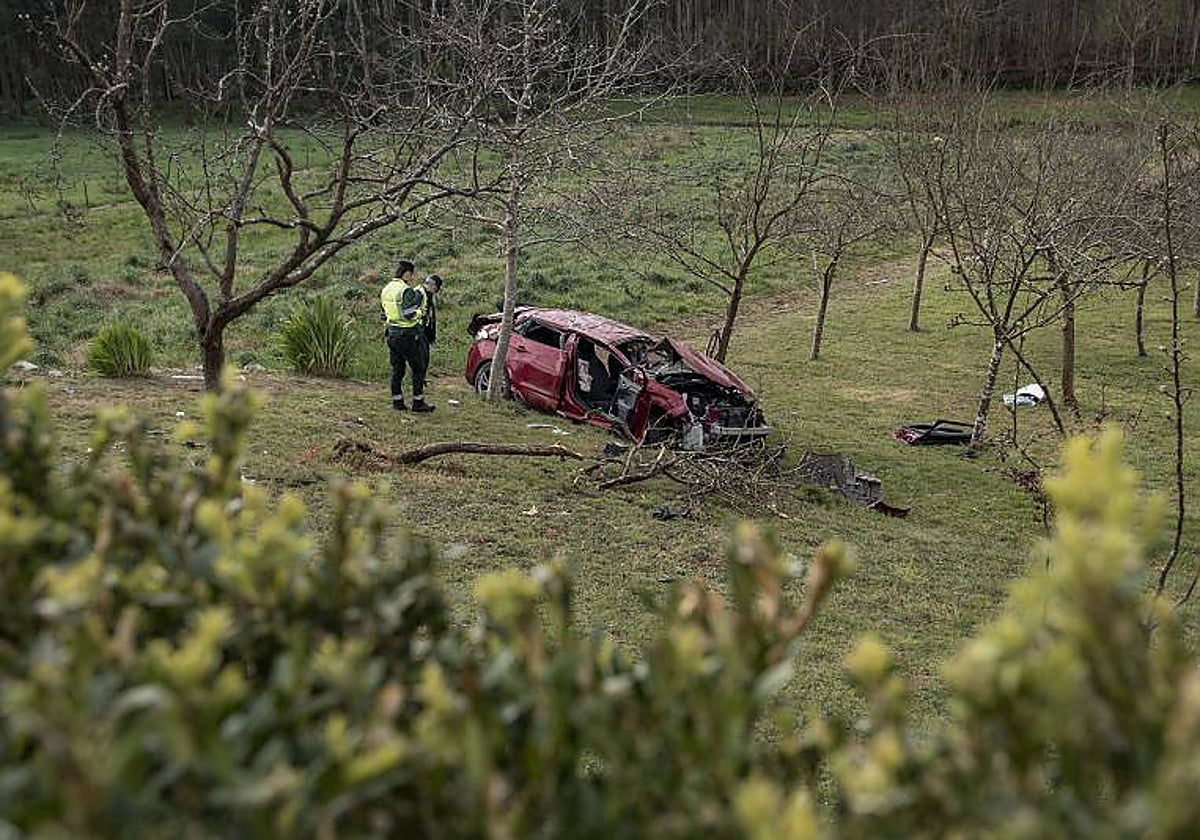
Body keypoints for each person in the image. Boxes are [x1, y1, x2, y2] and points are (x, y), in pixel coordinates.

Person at [379, 260, 434, 413]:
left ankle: (397, 401)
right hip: (408, 335)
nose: (412, 278)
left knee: (397, 369)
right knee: (418, 368)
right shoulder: (406, 290)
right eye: (411, 274)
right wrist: (420, 313)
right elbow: (409, 314)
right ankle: (418, 403)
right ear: (407, 273)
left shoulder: (386, 289)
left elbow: (383, 314)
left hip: (392, 334)